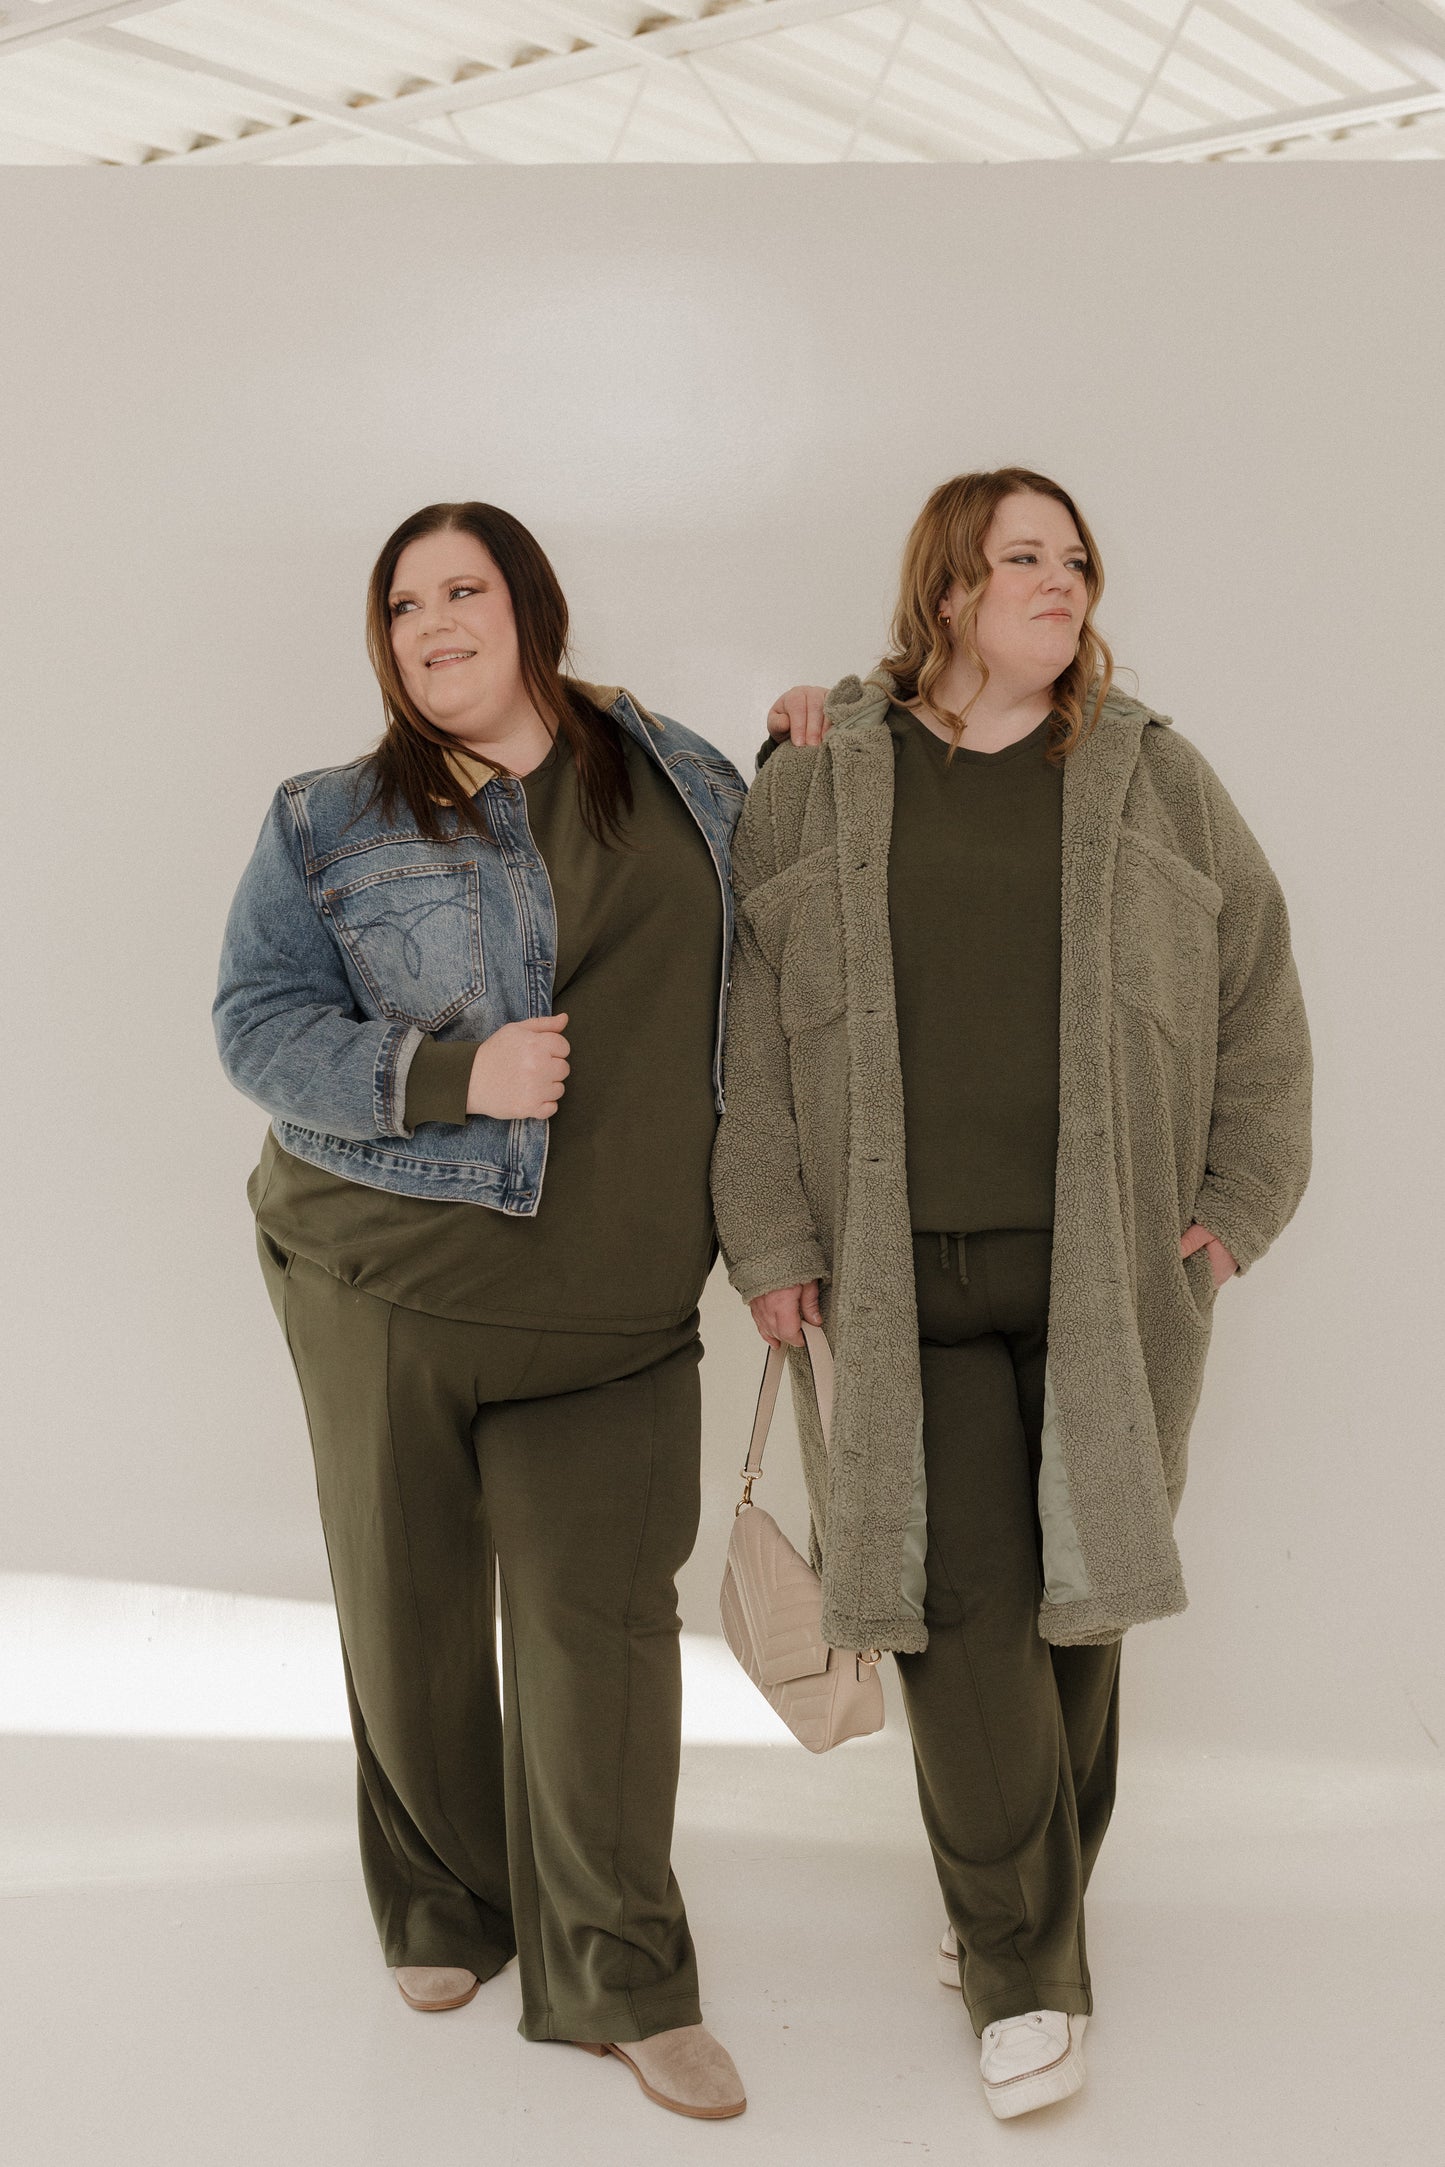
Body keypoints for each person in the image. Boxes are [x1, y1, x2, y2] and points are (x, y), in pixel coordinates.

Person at [711, 467, 1312, 2121]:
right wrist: (768, 1236)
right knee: (962, 1604)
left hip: (1111, 1279)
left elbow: (1257, 983)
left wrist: (1232, 1205)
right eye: (1021, 558)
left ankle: (1010, 1915)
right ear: (948, 593)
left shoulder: (1151, 778)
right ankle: (1025, 1971)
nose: (1062, 581)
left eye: (1076, 559)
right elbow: (747, 1028)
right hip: (904, 1283)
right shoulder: (819, 775)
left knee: (1081, 1601)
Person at [214, 501, 749, 2122]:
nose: (432, 622)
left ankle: (623, 1971)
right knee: (411, 1608)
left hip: (618, 1304)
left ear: (530, 606)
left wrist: (825, 729)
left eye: (463, 589)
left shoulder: (681, 773)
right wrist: (450, 1078)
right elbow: (254, 1023)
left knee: (604, 1635)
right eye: (401, 605)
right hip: (385, 1279)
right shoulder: (326, 818)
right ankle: (448, 1898)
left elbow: (788, 928)